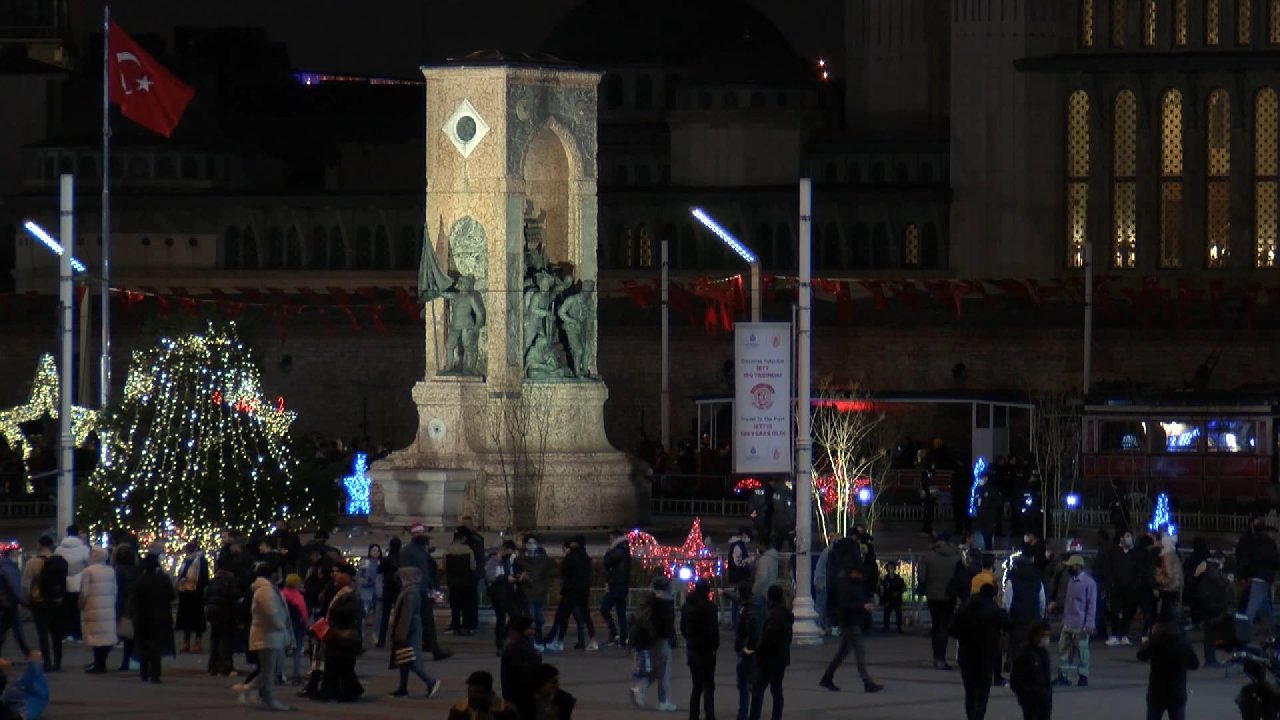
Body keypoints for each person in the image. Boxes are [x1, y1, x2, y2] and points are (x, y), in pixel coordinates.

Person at [819, 565, 884, 693]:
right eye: (860, 574)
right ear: (854, 572)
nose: (861, 577)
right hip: (850, 622)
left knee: (842, 653)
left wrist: (866, 605)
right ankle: (867, 682)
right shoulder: (845, 586)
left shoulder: (854, 584)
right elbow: (846, 605)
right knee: (859, 652)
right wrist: (863, 606)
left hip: (853, 621)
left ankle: (827, 677)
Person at [952, 582, 1007, 720]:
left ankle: (971, 716)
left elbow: (952, 630)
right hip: (986, 656)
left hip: (967, 655)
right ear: (993, 595)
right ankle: (979, 716)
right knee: (983, 691)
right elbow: (1008, 624)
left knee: (970, 691)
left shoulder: (965, 608)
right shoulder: (994, 610)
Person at [1137, 606, 1200, 720]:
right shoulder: (1183, 640)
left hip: (1156, 690)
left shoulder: (1156, 639)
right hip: (1177, 690)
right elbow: (1194, 664)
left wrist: (1148, 638)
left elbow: (1141, 655)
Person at [386, 567, 441, 699]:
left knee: (411, 660)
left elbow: (407, 615)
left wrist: (401, 633)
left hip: (409, 630)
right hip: (409, 629)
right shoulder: (411, 590)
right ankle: (403, 688)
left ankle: (430, 682)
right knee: (404, 659)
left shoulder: (410, 593)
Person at [247, 562, 294, 711]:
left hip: (272, 635)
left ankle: (257, 692)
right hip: (267, 636)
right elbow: (271, 613)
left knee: (272, 669)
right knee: (269, 670)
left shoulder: (271, 590)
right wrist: (282, 628)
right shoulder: (265, 591)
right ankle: (266, 697)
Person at [400, 523, 449, 660]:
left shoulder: (422, 550)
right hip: (415, 591)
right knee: (416, 621)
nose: (420, 535)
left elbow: (428, 572)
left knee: (427, 620)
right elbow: (405, 572)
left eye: (422, 532)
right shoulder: (408, 551)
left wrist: (433, 589)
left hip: (424, 590)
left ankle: (431, 647)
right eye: (417, 533)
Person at [631, 575, 677, 712]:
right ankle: (663, 701)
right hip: (661, 640)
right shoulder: (666, 602)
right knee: (664, 670)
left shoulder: (649, 600)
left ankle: (640, 689)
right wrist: (671, 638)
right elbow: (667, 625)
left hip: (648, 640)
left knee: (656, 670)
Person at [748, 584, 792, 720]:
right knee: (777, 689)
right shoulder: (786, 614)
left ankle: (754, 717)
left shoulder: (772, 615)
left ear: (770, 598)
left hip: (769, 659)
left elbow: (768, 638)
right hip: (782, 657)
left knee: (758, 689)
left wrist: (757, 651)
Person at [319, 571, 363, 701]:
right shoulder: (347, 594)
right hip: (344, 636)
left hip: (343, 636)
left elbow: (348, 612)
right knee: (343, 667)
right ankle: (344, 691)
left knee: (338, 666)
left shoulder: (348, 596)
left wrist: (333, 612)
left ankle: (338, 692)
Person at [21, 535, 63, 672]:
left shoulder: (32, 562)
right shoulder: (59, 561)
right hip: (56, 602)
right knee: (56, 633)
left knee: (42, 633)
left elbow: (26, 584)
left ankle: (47, 662)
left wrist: (27, 600)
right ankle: (58, 661)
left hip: (39, 602)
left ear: (39, 545)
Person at [131, 554, 175, 684]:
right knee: (156, 646)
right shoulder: (163, 579)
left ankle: (144, 671)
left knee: (144, 644)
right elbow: (172, 596)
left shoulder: (140, 580)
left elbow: (134, 600)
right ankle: (155, 674)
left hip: (143, 616)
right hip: (160, 616)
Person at [548, 536, 597, 652]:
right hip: (583, 590)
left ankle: (559, 642)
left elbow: (565, 573)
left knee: (563, 616)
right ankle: (593, 640)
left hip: (570, 590)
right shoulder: (586, 558)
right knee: (586, 616)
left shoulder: (570, 558)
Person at [920, 533, 961, 670]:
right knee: (944, 626)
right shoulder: (957, 556)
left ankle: (936, 657)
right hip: (949, 595)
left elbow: (921, 577)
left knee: (936, 625)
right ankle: (941, 659)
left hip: (933, 595)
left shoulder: (928, 556)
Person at [1054, 555, 1096, 688]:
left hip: (1081, 624)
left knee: (1082, 651)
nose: (1069, 568)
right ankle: (1064, 675)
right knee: (1063, 649)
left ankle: (1083, 676)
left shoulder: (1089, 583)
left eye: (1071, 566)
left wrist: (1089, 624)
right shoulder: (1071, 581)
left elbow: (1091, 605)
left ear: (1078, 566)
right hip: (1068, 622)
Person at [681, 578, 720, 720]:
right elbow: (713, 631)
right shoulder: (710, 608)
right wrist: (715, 646)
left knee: (696, 686)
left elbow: (683, 628)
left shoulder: (687, 607)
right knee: (709, 686)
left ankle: (694, 715)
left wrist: (690, 640)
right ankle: (710, 715)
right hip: (708, 651)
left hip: (693, 649)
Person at [1003, 552, 1046, 671]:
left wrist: (1006, 617)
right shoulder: (1038, 582)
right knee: (1031, 643)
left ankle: (1012, 665)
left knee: (1015, 643)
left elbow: (1007, 602)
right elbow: (1042, 602)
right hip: (1034, 617)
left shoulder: (1012, 582)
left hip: (1017, 618)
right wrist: (1040, 616)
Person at [78, 548, 117, 673]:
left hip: (93, 606)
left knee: (95, 637)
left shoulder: (88, 571)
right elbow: (115, 589)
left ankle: (98, 664)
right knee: (106, 636)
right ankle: (101, 663)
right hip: (108, 606)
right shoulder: (110, 570)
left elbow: (84, 591)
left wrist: (81, 604)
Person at [514, 535, 554, 648]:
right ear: (525, 545)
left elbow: (548, 574)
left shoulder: (542, 559)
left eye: (533, 543)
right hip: (528, 594)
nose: (532, 545)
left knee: (539, 619)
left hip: (540, 593)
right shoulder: (519, 559)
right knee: (531, 619)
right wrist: (521, 577)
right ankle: (530, 642)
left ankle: (539, 639)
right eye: (529, 543)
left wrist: (546, 587)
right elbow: (516, 574)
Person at [500, 615, 542, 718]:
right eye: (530, 628)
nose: (532, 631)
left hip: (524, 694)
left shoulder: (525, 644)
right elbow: (521, 670)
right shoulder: (513, 648)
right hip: (518, 695)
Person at [1010, 622, 1053, 720]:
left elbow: (1046, 677)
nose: (1045, 638)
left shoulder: (1044, 654)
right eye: (1042, 635)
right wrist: (1027, 694)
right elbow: (1015, 681)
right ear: (1034, 635)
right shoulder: (1024, 655)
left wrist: (1048, 694)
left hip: (1045, 699)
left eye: (1047, 635)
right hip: (1031, 701)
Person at [1193, 551, 1230, 667]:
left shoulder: (1206, 567)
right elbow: (1220, 583)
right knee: (1210, 633)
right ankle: (1210, 660)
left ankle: (1211, 659)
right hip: (1211, 605)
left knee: (1210, 633)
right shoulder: (1212, 568)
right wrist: (1228, 580)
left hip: (1208, 604)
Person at [485, 541, 521, 656]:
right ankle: (500, 645)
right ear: (504, 549)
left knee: (516, 616)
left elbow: (510, 574)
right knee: (501, 619)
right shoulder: (492, 562)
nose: (509, 555)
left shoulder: (507, 562)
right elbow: (491, 578)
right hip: (498, 594)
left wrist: (516, 577)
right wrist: (506, 579)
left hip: (508, 593)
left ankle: (504, 635)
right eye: (509, 553)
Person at [54, 525, 89, 642]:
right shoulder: (84, 548)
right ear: (78, 533)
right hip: (79, 583)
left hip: (63, 583)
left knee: (65, 610)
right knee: (77, 610)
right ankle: (77, 633)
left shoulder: (59, 549)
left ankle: (65, 633)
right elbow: (88, 564)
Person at [204, 563, 239, 676]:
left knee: (215, 639)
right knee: (226, 641)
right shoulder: (229, 581)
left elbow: (206, 596)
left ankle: (213, 666)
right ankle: (225, 666)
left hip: (213, 613)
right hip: (225, 614)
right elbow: (233, 597)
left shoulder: (213, 581)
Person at [175, 541, 208, 654]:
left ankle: (197, 642)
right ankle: (186, 641)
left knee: (197, 618)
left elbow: (204, 577)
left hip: (196, 593)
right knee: (186, 619)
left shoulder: (201, 560)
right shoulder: (186, 560)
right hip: (185, 592)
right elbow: (181, 573)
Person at [733, 582, 760, 720]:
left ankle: (744, 713)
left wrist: (746, 648)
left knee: (744, 683)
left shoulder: (747, 610)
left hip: (746, 651)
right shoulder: (749, 606)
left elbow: (752, 632)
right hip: (746, 650)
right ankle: (746, 712)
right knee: (746, 683)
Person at [448, 670, 519, 720]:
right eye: (469, 691)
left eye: (478, 692)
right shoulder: (458, 710)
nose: (473, 696)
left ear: (490, 693)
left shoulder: (507, 712)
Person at [601, 529, 631, 646]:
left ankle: (615, 635)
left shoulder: (618, 550)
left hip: (617, 584)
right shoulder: (624, 548)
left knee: (605, 609)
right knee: (620, 611)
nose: (609, 541)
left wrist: (608, 552)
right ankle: (622, 637)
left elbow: (607, 562)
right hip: (621, 583)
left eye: (610, 538)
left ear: (615, 538)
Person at [112, 545, 139, 673]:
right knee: (133, 635)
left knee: (126, 635)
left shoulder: (118, 571)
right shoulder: (136, 570)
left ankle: (126, 661)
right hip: (136, 605)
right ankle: (133, 660)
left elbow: (118, 591)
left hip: (124, 606)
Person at [445, 531, 477, 636]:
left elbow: (443, 566)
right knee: (466, 606)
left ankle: (455, 626)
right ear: (462, 539)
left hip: (453, 582)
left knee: (455, 606)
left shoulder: (448, 550)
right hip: (466, 581)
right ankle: (465, 627)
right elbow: (473, 567)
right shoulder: (468, 550)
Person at [279, 574, 308, 684]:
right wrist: (305, 624)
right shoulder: (297, 596)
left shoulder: (281, 594)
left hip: (283, 624)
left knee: (282, 651)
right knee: (297, 651)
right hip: (296, 625)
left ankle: (279, 674)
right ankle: (296, 675)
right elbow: (304, 613)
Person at [726, 529, 755, 625]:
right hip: (738, 577)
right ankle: (736, 621)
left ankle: (736, 621)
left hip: (737, 577)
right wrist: (749, 560)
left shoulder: (737, 545)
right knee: (738, 600)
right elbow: (738, 563)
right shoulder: (737, 546)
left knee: (737, 600)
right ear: (743, 535)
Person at [377, 537, 401, 648]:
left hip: (388, 588)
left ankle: (381, 640)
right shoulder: (402, 558)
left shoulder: (386, 559)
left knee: (385, 616)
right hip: (398, 589)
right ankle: (396, 637)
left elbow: (379, 570)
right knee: (399, 615)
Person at [1154, 531, 1183, 620]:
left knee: (1166, 616)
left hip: (1169, 589)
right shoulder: (1173, 554)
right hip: (1174, 588)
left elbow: (1169, 576)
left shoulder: (1167, 557)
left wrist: (1158, 579)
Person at [358, 544, 383, 645]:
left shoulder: (381, 562)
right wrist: (365, 581)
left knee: (378, 615)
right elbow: (359, 576)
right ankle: (361, 633)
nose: (375, 552)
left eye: (377, 551)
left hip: (378, 591)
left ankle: (375, 634)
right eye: (373, 550)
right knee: (364, 613)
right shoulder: (365, 562)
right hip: (366, 590)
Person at [880, 560, 906, 633]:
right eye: (888, 567)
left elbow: (903, 588)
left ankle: (899, 627)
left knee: (898, 613)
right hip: (887, 598)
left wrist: (899, 592)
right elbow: (881, 589)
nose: (890, 569)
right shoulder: (884, 579)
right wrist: (882, 596)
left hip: (896, 599)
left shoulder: (899, 579)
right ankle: (886, 627)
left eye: (891, 567)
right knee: (886, 613)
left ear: (894, 568)